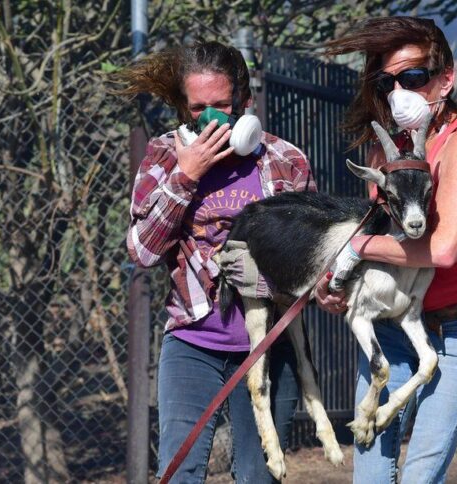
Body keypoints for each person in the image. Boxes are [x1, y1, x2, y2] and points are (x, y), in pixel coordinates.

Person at [118, 41, 317, 483]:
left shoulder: (286, 161)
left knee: (257, 476)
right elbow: (142, 251)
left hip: (269, 347)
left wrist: (266, 280)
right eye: (198, 108)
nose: (209, 118)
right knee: (178, 472)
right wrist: (185, 176)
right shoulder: (165, 156)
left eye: (222, 106)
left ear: (245, 103)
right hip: (193, 341)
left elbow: (311, 269)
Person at [319, 17, 457, 483]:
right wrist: (337, 283)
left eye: (413, 77)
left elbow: (442, 250)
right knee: (372, 478)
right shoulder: (388, 151)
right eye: (388, 81)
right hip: (390, 332)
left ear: (446, 79)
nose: (400, 91)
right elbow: (384, 243)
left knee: (419, 477)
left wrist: (355, 246)